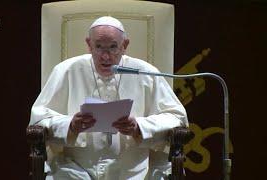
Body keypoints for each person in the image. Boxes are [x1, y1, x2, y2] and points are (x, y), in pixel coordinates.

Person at [29, 16, 188, 180]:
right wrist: (71, 125)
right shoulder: (66, 71)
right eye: (98, 47)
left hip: (135, 173)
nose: (105, 57)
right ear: (89, 44)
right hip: (76, 171)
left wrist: (139, 127)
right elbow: (38, 119)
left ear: (124, 45)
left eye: (113, 47)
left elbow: (177, 118)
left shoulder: (145, 73)